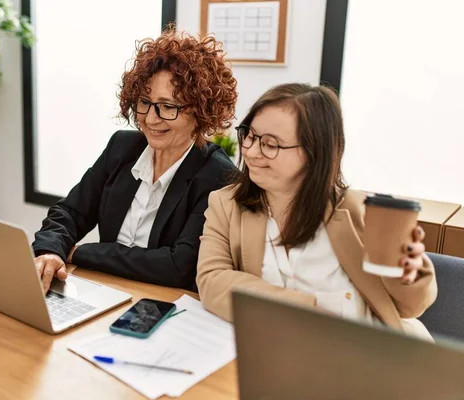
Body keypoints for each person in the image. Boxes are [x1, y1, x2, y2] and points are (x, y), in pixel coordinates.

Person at [196, 83, 437, 339]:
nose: (251, 152)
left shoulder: (358, 211)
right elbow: (212, 281)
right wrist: (307, 309)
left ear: (314, 153)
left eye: (270, 144)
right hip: (284, 351)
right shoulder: (226, 204)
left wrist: (406, 273)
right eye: (251, 136)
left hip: (372, 354)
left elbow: (411, 307)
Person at [32, 30, 238, 293]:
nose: (151, 119)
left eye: (168, 106)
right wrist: (51, 250)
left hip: (165, 303)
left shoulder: (218, 175)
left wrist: (80, 253)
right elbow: (71, 211)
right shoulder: (122, 147)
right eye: (144, 102)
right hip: (104, 289)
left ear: (201, 111)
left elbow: (178, 266)